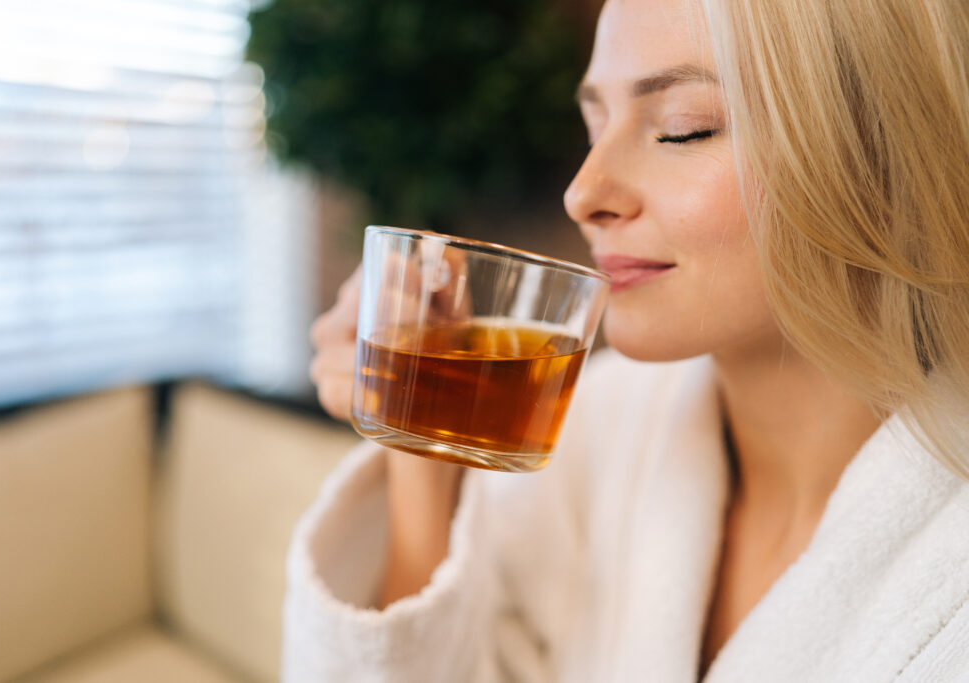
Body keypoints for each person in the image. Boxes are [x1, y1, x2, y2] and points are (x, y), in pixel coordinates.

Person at [288, 0, 969, 680]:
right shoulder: (599, 425)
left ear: (884, 154)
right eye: (595, 126)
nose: (583, 193)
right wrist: (421, 450)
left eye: (683, 128)